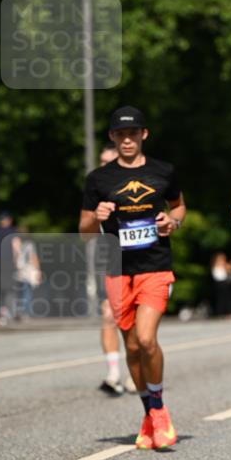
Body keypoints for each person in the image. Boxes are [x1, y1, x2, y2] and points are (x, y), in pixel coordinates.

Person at [79, 106, 186, 449]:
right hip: (117, 270)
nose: (127, 140)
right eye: (120, 135)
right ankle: (149, 412)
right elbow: (83, 232)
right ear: (112, 137)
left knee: (146, 339)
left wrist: (173, 222)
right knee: (132, 348)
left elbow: (179, 207)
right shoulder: (98, 179)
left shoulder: (163, 171)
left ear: (144, 134)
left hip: (155, 266)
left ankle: (158, 407)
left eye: (133, 133)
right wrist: (96, 216)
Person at [96, 143, 129, 397]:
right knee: (108, 314)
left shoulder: (134, 187)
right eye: (102, 162)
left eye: (110, 162)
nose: (106, 166)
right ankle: (114, 373)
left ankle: (135, 371)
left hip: (142, 264)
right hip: (110, 261)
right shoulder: (95, 189)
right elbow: (85, 227)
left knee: (136, 326)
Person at [13, 222, 41, 319]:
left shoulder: (24, 244)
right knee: (25, 292)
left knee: (22, 292)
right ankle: (22, 312)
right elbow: (34, 258)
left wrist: (37, 270)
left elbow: (33, 258)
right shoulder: (24, 244)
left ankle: (20, 312)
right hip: (22, 271)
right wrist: (37, 270)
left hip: (22, 271)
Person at [210, 251, 231, 318]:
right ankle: (220, 313)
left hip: (224, 283)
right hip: (219, 283)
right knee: (220, 299)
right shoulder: (216, 265)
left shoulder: (223, 265)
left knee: (227, 298)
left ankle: (228, 312)